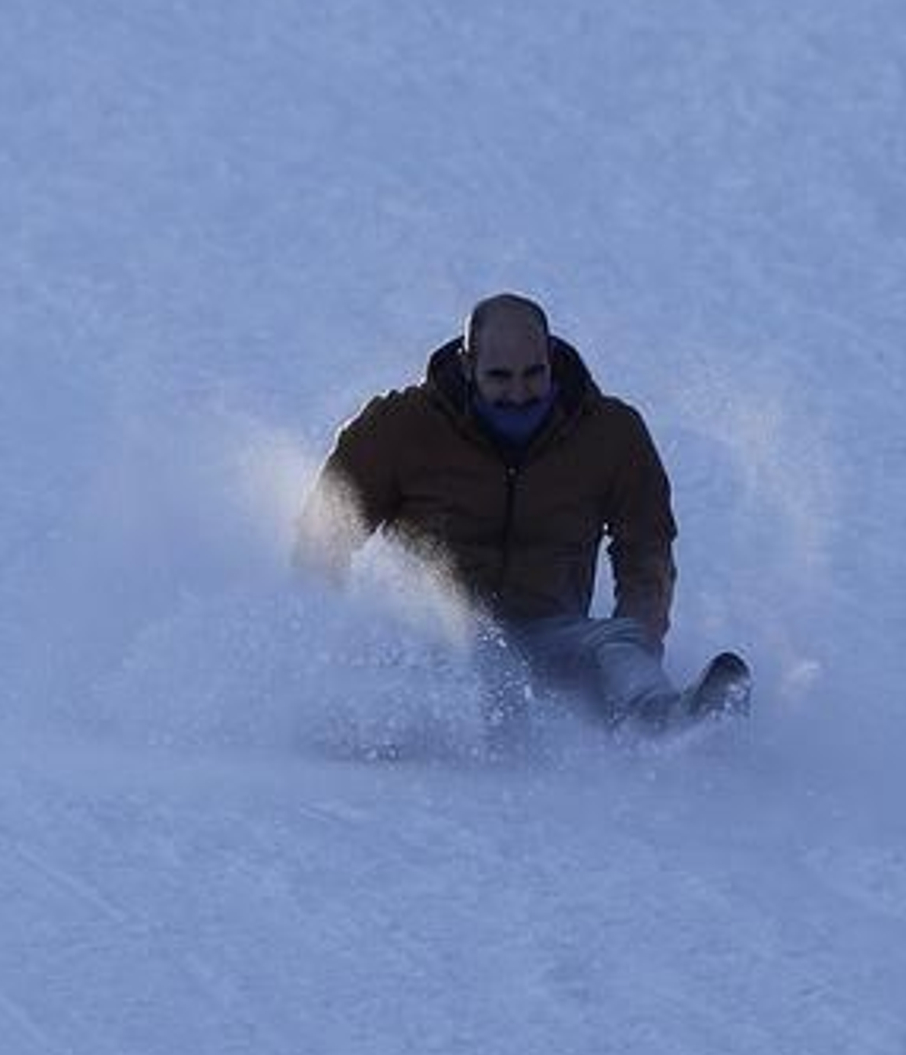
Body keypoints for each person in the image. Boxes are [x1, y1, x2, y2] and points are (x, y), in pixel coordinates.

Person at [294, 294, 749, 729]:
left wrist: (645, 636)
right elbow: (325, 534)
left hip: (549, 637)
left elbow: (646, 548)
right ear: (468, 366)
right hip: (438, 640)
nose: (518, 392)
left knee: (619, 642)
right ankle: (384, 726)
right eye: (499, 376)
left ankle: (658, 719)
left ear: (551, 359)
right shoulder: (398, 428)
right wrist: (320, 643)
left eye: (533, 373)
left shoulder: (611, 434)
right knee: (456, 663)